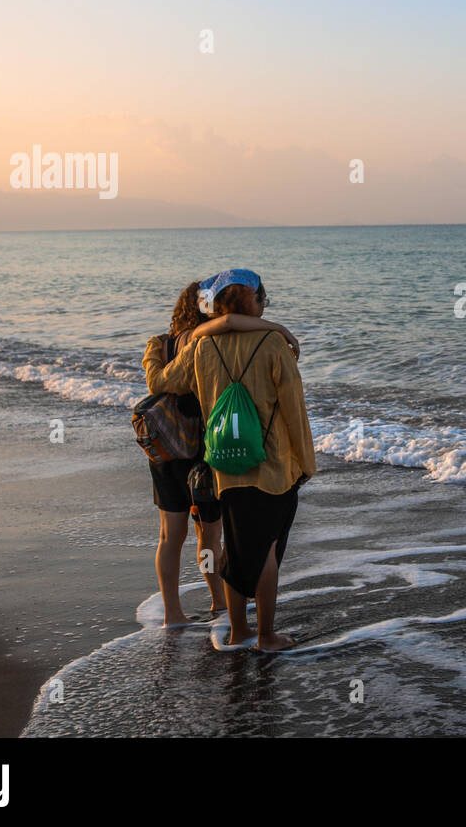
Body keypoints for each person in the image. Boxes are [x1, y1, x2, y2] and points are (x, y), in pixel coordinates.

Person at [145, 269, 316, 650]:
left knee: (236, 549)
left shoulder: (202, 349)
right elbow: (294, 410)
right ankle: (267, 636)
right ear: (248, 301)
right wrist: (307, 463)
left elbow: (163, 383)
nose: (263, 303)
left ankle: (239, 631)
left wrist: (154, 354)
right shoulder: (273, 343)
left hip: (224, 465)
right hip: (273, 466)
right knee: (267, 549)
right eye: (260, 299)